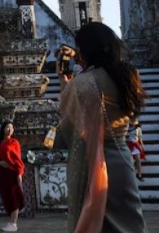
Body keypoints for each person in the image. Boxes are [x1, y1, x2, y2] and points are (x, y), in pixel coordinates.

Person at [57, 21, 147, 233]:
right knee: (130, 224)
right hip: (123, 159)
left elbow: (68, 129)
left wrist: (64, 81)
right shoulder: (129, 75)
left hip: (94, 164)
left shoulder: (84, 83)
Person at [0, 121, 25, 232]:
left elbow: (16, 160)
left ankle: (14, 224)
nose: (9, 129)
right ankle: (11, 222)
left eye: (11, 128)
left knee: (14, 197)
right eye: (7, 127)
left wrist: (19, 174)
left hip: (12, 173)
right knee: (6, 197)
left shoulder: (14, 143)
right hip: (2, 174)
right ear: (3, 129)